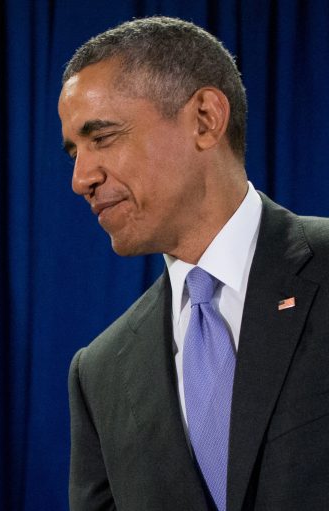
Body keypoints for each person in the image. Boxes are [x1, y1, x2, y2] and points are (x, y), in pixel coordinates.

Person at [59, 16, 329, 510]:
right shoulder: (99, 374)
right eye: (73, 151)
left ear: (205, 119)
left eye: (102, 137)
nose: (81, 178)